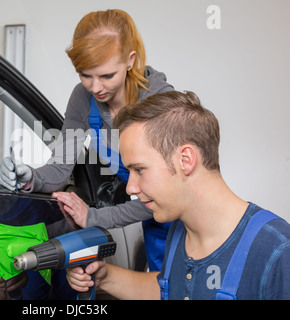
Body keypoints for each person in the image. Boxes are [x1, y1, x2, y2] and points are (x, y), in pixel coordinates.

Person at [66, 90, 290, 300]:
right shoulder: (178, 231)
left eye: (139, 170)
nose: (130, 188)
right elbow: (170, 287)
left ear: (185, 160)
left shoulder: (277, 252)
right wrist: (106, 278)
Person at [0, 9, 173, 272]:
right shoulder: (83, 99)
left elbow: (165, 198)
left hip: (185, 220)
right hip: (152, 220)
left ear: (130, 59)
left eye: (106, 76)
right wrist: (30, 176)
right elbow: (59, 169)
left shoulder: (160, 102)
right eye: (84, 74)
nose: (95, 87)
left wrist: (94, 217)